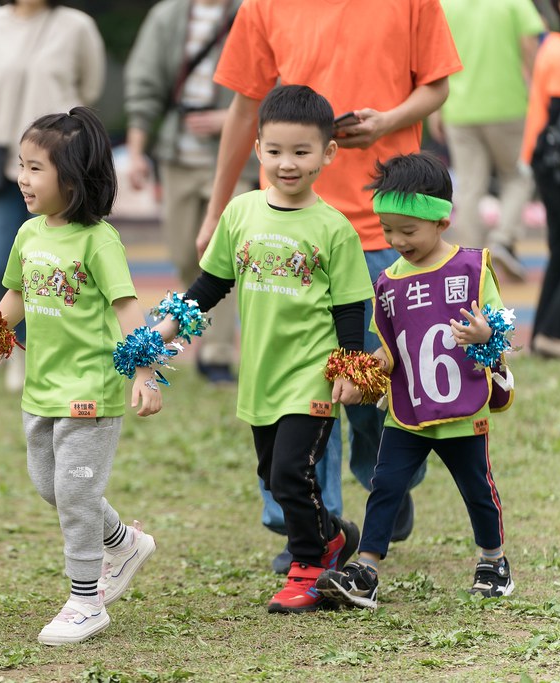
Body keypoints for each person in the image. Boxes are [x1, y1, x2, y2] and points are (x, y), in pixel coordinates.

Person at [198, 0, 463, 569]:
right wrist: (217, 210)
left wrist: (387, 122)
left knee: (372, 391)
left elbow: (436, 88)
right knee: (300, 384)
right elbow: (245, 108)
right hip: (290, 232)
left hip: (380, 227)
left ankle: (388, 483)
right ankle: (311, 532)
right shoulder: (262, 6)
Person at [153, 85, 368, 613]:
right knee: (273, 475)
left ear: (327, 154)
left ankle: (310, 564)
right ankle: (333, 535)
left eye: (301, 152)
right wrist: (163, 332)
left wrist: (351, 368)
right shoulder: (241, 212)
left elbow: (350, 309)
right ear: (257, 150)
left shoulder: (335, 229)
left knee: (293, 473)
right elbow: (209, 288)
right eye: (275, 151)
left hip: (312, 374)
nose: (287, 163)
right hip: (262, 373)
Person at [0, 107, 159, 644]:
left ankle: (86, 602)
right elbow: (16, 297)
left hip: (91, 390)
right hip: (42, 387)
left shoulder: (98, 241)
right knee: (49, 485)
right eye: (21, 165)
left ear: (73, 180)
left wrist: (144, 372)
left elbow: (128, 309)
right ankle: (123, 541)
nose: (22, 178)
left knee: (76, 494)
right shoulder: (30, 232)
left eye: (35, 168)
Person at [317, 152, 515, 609]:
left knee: (478, 490)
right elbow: (390, 349)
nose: (396, 240)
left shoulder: (472, 268)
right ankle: (365, 569)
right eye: (388, 229)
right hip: (406, 409)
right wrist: (362, 373)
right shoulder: (387, 282)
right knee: (384, 484)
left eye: (408, 230)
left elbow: (501, 329)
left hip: (463, 410)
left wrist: (486, 333)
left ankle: (494, 561)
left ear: (442, 220)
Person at [0, 0, 106, 391]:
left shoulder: (77, 25)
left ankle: (57, 350)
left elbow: (89, 90)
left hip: (62, 169)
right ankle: (17, 345)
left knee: (62, 266)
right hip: (1, 156)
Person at [123, 0, 252, 385]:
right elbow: (144, 82)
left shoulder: (253, 11)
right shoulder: (169, 15)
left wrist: (231, 119)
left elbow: (275, 84)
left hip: (235, 158)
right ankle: (199, 336)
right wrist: (136, 151)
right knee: (184, 254)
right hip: (178, 154)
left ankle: (218, 354)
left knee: (224, 256)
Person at [430, 0, 544, 281]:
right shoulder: (514, 3)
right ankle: (503, 239)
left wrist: (435, 108)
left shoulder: (445, 5)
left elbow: (434, 57)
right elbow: (530, 46)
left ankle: (471, 263)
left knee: (469, 186)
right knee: (517, 175)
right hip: (509, 106)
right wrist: (539, 91)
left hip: (459, 109)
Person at [521, 0, 560, 359]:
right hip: (559, 164)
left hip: (547, 163)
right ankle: (556, 333)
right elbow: (559, 116)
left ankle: (546, 332)